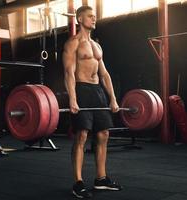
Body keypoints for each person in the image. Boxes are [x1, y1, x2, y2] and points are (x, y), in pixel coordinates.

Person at [62, 5, 123, 199]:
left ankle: (101, 178)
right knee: (82, 135)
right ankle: (78, 182)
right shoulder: (73, 43)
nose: (94, 19)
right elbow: (69, 73)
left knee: (103, 134)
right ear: (80, 19)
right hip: (81, 89)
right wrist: (72, 98)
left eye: (95, 16)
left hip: (97, 91)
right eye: (90, 16)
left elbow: (104, 74)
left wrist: (112, 98)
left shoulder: (97, 46)